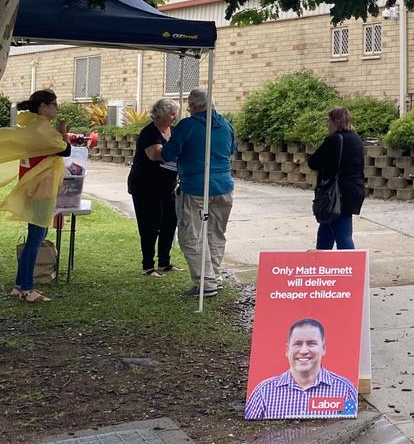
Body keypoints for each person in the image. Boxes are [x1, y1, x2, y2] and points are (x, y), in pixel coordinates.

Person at [0, 89, 72, 303]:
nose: (56, 108)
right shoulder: (40, 129)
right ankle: (27, 288)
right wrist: (64, 131)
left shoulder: (33, 126)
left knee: (34, 238)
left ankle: (20, 285)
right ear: (43, 107)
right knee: (35, 240)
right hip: (40, 190)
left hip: (37, 189)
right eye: (54, 104)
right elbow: (64, 150)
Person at [163, 87, 236, 296]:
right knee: (215, 233)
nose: (188, 110)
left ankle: (205, 283)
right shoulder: (226, 125)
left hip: (196, 187)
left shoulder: (187, 126)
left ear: (195, 106)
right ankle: (215, 276)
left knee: (190, 236)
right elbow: (231, 150)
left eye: (189, 106)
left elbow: (168, 154)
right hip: (224, 186)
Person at [244, 318, 358, 419]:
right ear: (287, 350)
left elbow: (350, 430)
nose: (303, 351)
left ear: (323, 349)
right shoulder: (263, 392)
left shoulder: (345, 389)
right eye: (297, 344)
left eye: (311, 343)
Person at [129, 98, 181, 277]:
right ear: (161, 114)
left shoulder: (172, 131)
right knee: (150, 224)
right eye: (171, 114)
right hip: (145, 186)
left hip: (167, 185)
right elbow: (156, 155)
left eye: (175, 114)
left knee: (170, 221)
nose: (174, 118)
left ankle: (164, 262)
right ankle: (148, 265)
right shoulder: (149, 132)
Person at [306, 107, 366, 250]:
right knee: (326, 230)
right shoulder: (356, 139)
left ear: (335, 122)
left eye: (329, 121)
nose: (327, 125)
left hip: (335, 194)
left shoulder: (334, 140)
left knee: (343, 235)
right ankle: (321, 261)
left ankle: (349, 267)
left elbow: (313, 162)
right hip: (353, 190)